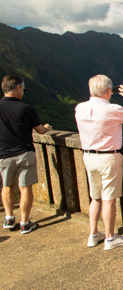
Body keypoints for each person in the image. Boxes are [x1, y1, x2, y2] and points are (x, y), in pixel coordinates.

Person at [75, 74, 123, 250]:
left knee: (95, 198)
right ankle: (110, 238)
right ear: (107, 90)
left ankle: (93, 235)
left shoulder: (80, 108)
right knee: (109, 199)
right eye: (111, 91)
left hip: (88, 156)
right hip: (108, 157)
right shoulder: (112, 109)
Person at [1, 75, 52, 234]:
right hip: (24, 153)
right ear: (17, 87)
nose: (23, 91)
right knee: (25, 188)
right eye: (23, 88)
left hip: (3, 154)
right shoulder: (26, 108)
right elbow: (40, 131)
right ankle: (24, 222)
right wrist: (47, 128)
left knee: (7, 185)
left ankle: (9, 218)